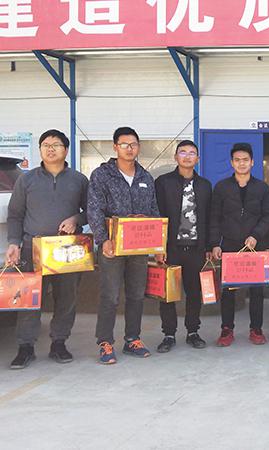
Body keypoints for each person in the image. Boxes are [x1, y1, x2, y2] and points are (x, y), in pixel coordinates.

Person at [6, 129, 88, 369]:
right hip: (33, 248)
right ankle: (25, 347)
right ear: (40, 149)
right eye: (45, 145)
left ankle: (59, 343)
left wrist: (76, 219)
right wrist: (14, 243)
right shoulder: (26, 180)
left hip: (67, 249)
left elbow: (91, 211)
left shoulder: (79, 180)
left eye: (56, 145)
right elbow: (15, 215)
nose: (50, 149)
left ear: (66, 150)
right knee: (30, 300)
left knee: (67, 298)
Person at [88, 126, 160, 364]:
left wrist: (158, 246)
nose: (130, 149)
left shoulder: (145, 177)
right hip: (112, 247)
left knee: (136, 294)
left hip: (139, 247)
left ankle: (132, 339)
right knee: (110, 296)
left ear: (139, 147)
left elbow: (154, 212)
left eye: (134, 145)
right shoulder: (102, 175)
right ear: (115, 147)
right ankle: (105, 342)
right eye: (124, 145)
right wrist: (103, 239)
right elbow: (94, 209)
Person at [210, 142, 269, 346]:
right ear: (232, 163)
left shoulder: (262, 188)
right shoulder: (222, 187)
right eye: (237, 160)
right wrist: (215, 243)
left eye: (245, 160)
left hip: (255, 245)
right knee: (229, 289)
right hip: (230, 245)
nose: (241, 163)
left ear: (252, 162)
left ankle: (256, 329)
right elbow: (214, 217)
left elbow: (268, 215)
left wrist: (256, 235)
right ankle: (227, 329)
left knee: (257, 290)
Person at [154, 140, 212, 353]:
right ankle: (168, 334)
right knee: (168, 294)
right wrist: (159, 248)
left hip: (196, 248)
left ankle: (193, 331)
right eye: (183, 152)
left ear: (198, 158)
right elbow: (157, 215)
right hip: (171, 248)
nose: (187, 156)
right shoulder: (163, 182)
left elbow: (209, 217)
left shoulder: (205, 185)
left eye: (192, 153)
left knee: (194, 292)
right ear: (175, 157)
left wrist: (209, 245)